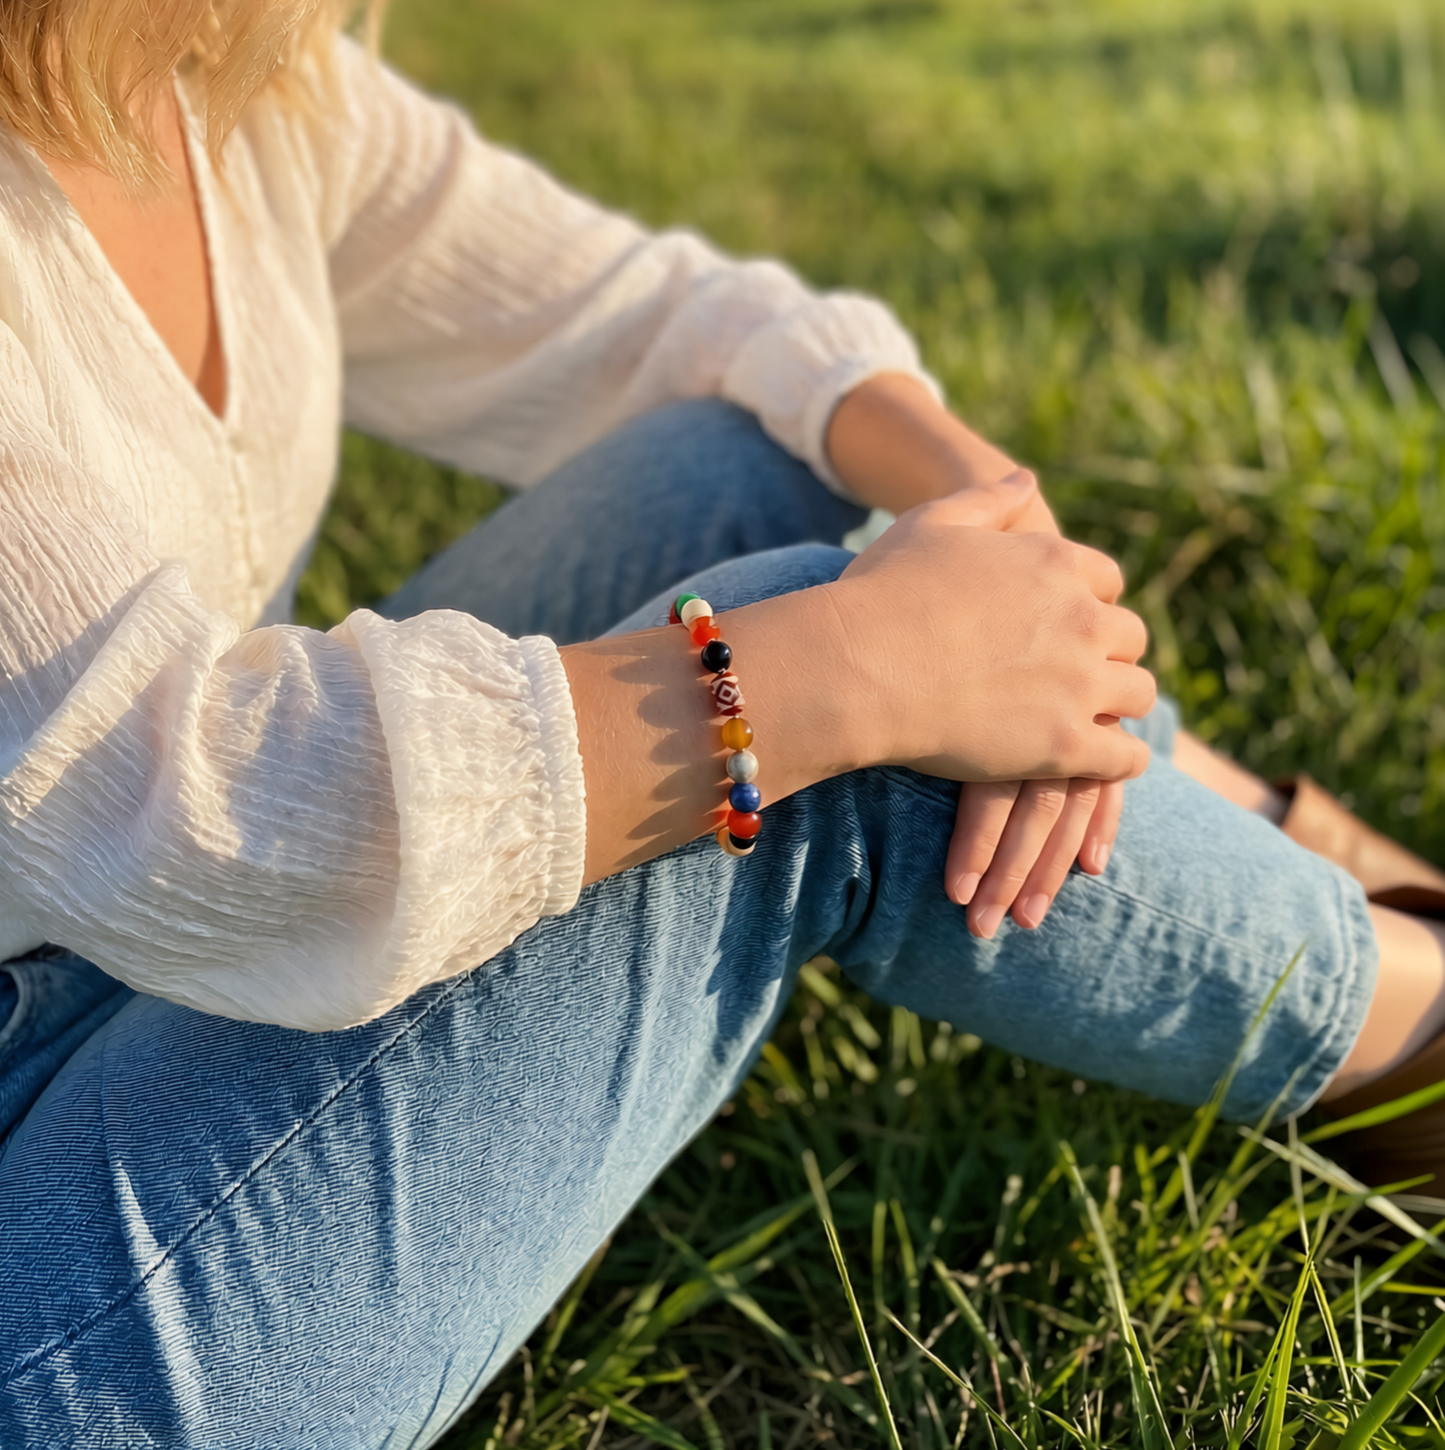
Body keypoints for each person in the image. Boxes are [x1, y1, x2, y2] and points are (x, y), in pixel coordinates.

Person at [1, 1, 1442, 1443]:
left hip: (133, 949)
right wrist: (853, 664)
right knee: (802, 730)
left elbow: (665, 320)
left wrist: (987, 522)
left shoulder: (224, 76)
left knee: (758, 459)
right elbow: (207, 809)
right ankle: (1420, 1046)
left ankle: (1311, 874)